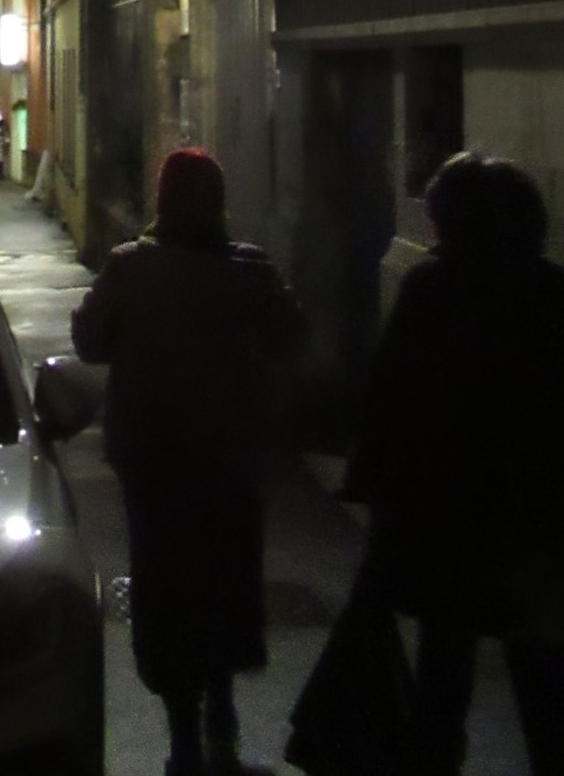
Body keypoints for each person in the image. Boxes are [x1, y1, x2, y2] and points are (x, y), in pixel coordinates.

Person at [72, 147, 303, 776]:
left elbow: (88, 341)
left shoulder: (131, 268)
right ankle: (221, 710)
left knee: (165, 582)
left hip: (155, 460)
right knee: (225, 575)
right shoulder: (249, 272)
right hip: (228, 456)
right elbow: (293, 337)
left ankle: (181, 727)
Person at [341, 152, 564, 774]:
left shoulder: (433, 289)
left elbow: (391, 396)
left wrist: (373, 488)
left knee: (443, 680)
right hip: (532, 522)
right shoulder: (552, 293)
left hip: (450, 519)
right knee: (543, 683)